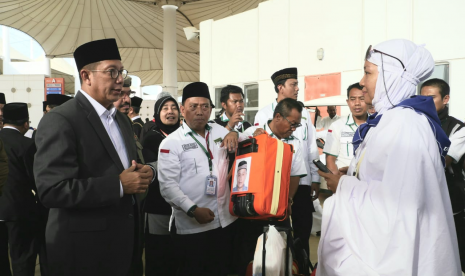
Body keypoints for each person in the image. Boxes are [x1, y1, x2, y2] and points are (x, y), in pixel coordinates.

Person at [317, 39, 461, 275]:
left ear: (390, 76)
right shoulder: (392, 120)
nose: (362, 83)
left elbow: (397, 211)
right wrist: (355, 173)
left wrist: (343, 185)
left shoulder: (406, 124)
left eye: (368, 73)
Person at [34, 38, 154, 276]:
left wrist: (143, 172)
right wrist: (118, 185)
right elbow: (51, 189)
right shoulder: (61, 119)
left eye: (122, 72)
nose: (120, 79)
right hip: (84, 253)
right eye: (112, 72)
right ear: (86, 76)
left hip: (125, 247)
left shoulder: (121, 119)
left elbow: (123, 168)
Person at [157, 81, 243, 276]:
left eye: (205, 106)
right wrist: (193, 210)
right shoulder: (171, 143)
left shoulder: (220, 132)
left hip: (225, 222)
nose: (200, 111)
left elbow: (247, 136)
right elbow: (168, 187)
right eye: (193, 106)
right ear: (182, 109)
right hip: (193, 228)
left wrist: (235, 133)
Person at [232, 98, 307, 275]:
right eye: (292, 123)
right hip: (250, 209)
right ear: (278, 117)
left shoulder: (294, 143)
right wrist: (237, 134)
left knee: (278, 256)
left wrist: (288, 199)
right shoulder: (253, 132)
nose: (293, 128)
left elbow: (295, 175)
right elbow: (234, 144)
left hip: (278, 210)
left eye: (297, 125)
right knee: (249, 257)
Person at [254, 67, 320, 264]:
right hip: (273, 183)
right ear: (280, 87)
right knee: (274, 230)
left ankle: (301, 265)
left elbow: (310, 146)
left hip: (301, 180)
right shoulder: (264, 113)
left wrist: (315, 178)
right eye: (294, 84)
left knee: (302, 229)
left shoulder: (304, 114)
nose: (298, 88)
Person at [420, 78, 465, 270]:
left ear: (445, 99)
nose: (426, 103)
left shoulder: (458, 129)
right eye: (422, 98)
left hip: (451, 203)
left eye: (432, 98)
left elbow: (442, 161)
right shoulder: (416, 124)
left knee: (454, 257)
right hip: (420, 202)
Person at [0, 103, 47, 276]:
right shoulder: (26, 145)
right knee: (22, 260)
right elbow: (36, 178)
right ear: (25, 123)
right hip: (19, 211)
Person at [140, 96, 180, 276]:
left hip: (184, 208)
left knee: (179, 255)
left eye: (174, 108)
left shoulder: (185, 135)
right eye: (165, 108)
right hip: (158, 207)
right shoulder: (151, 138)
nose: (170, 112)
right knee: (159, 256)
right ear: (157, 113)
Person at [324, 83, 368, 174]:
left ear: (368, 99)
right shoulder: (336, 126)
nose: (357, 103)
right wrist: (338, 181)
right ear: (348, 102)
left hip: (370, 182)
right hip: (344, 181)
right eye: (353, 99)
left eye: (362, 99)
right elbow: (330, 160)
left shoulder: (376, 125)